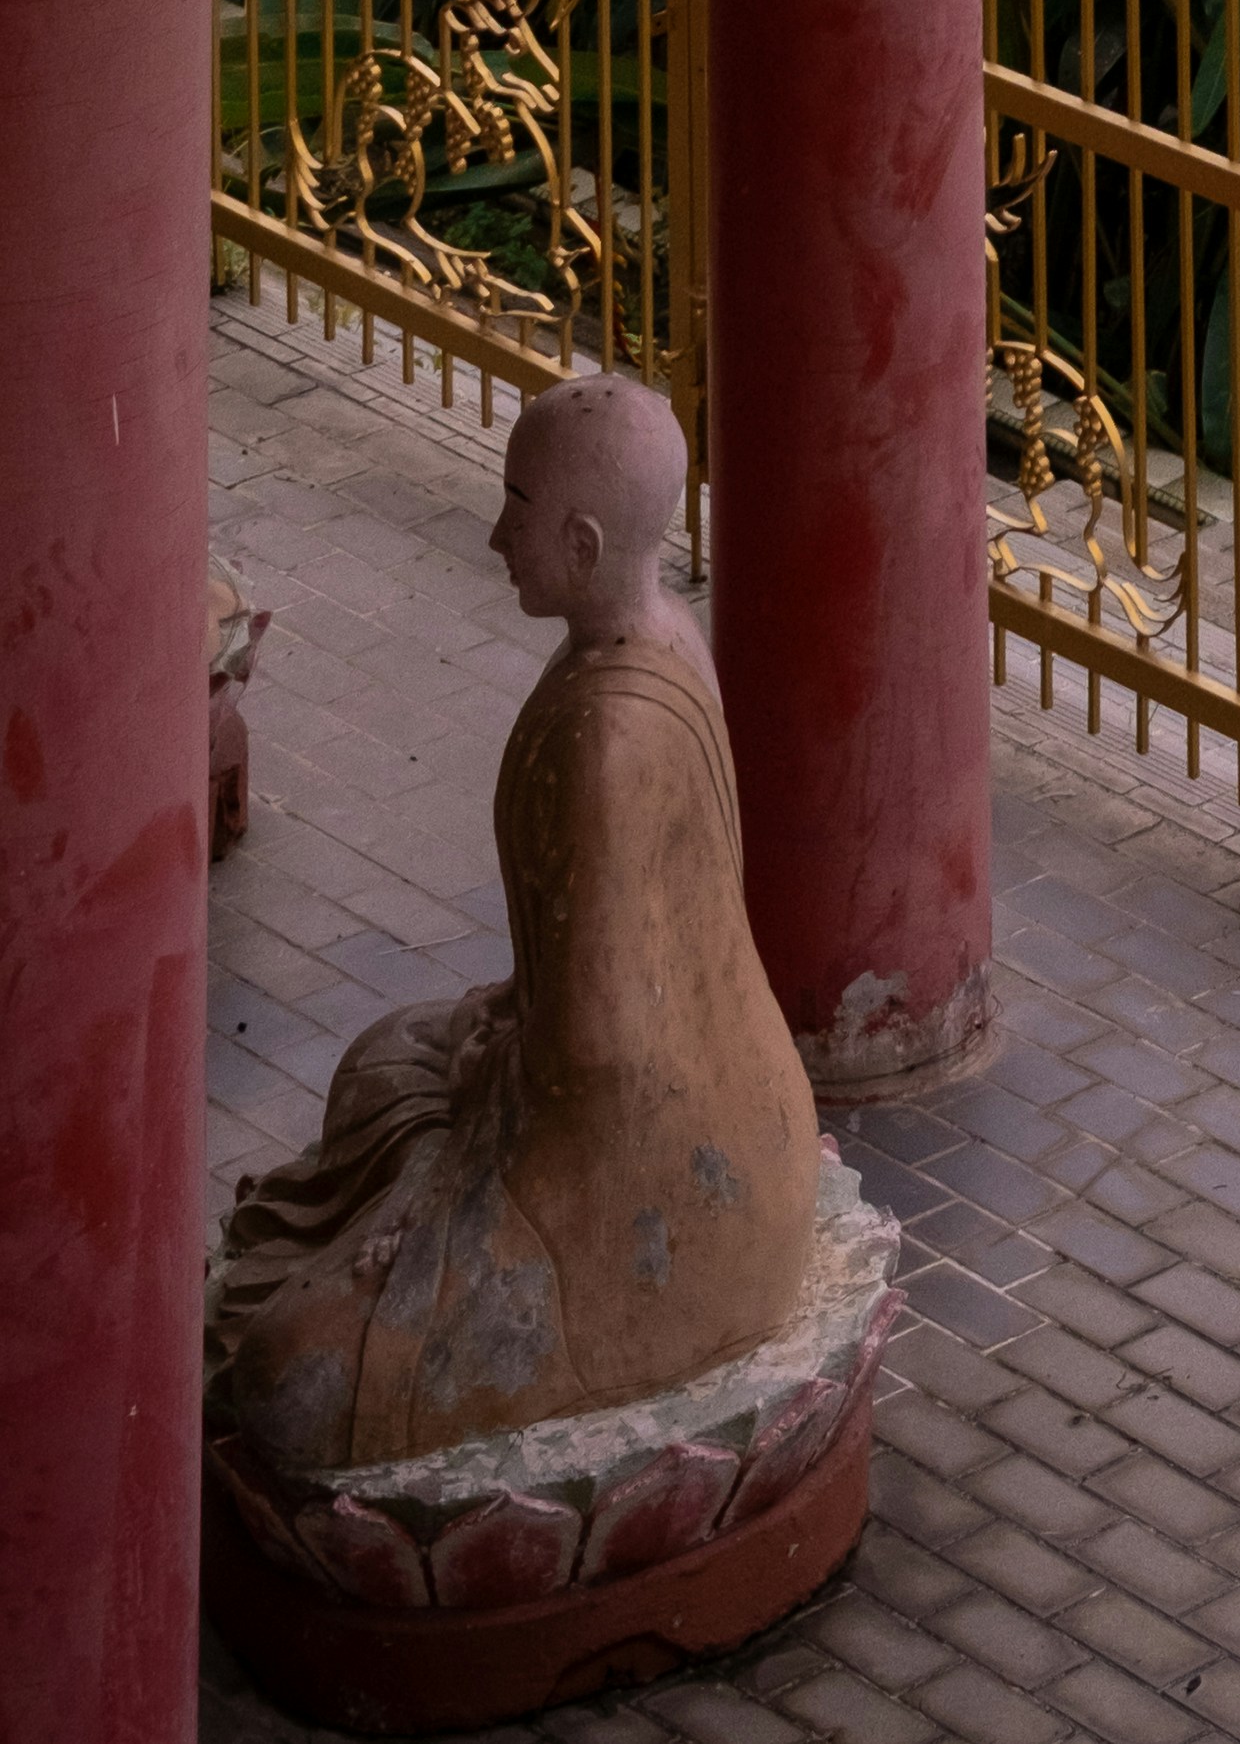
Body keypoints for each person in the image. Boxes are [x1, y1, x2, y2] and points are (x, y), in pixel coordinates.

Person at [209, 363, 824, 1484]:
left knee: (289, 1382)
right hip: (736, 1120)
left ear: (584, 544)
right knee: (384, 1061)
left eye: (519, 510)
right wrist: (505, 1019)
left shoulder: (607, 739)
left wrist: (503, 1055)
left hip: (638, 1197)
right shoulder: (665, 634)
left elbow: (596, 1048)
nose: (497, 535)